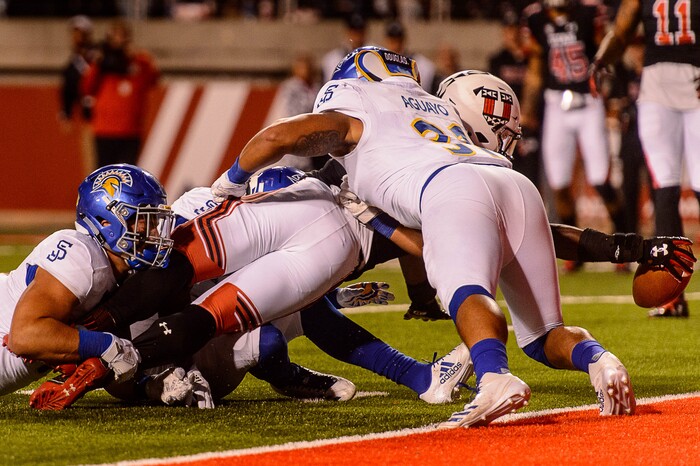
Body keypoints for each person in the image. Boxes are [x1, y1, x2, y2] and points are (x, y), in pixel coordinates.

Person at [208, 49, 644, 427]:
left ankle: (493, 376)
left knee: (467, 290)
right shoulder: (426, 107)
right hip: (514, 185)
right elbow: (428, 235)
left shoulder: (360, 105)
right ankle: (601, 362)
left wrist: (229, 182)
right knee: (545, 334)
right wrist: (413, 284)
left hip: (450, 186)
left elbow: (282, 135)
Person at [29, 166, 472, 409]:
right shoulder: (193, 222)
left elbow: (272, 285)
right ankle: (290, 374)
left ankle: (304, 375)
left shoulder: (227, 228)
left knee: (282, 316)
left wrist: (336, 293)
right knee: (264, 329)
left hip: (165, 345)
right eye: (144, 221)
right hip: (151, 352)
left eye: (156, 219)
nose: (156, 231)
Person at [0, 164, 174, 397]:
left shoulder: (122, 276)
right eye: (144, 219)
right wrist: (104, 345)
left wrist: (151, 386)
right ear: (106, 221)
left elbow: (119, 367)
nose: (154, 234)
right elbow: (24, 336)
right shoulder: (81, 254)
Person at [590, 0, 700, 317]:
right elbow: (622, 31)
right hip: (657, 87)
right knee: (663, 188)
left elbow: (622, 32)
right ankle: (672, 295)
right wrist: (600, 59)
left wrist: (600, 59)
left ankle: (673, 295)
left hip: (691, 82)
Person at [521, 0, 625, 272]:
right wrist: (527, 108)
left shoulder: (589, 12)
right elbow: (535, 67)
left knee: (601, 179)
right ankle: (576, 250)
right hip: (556, 104)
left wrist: (611, 91)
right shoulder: (535, 18)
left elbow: (607, 51)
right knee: (559, 183)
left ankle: (624, 238)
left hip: (588, 101)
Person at [81, 19, 160, 168]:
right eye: (115, 38)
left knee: (128, 176)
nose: (119, 42)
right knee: (103, 175)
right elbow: (86, 87)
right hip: (105, 130)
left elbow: (154, 77)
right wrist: (99, 62)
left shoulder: (137, 63)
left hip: (130, 131)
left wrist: (138, 56)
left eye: (122, 37)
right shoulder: (102, 64)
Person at [489, 9, 542, 189]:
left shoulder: (533, 59)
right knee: (506, 175)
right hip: (505, 126)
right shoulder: (497, 60)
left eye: (514, 29)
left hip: (531, 126)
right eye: (507, 29)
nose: (511, 34)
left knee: (531, 177)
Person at [58, 15, 98, 175]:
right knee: (92, 162)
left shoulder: (99, 58)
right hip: (88, 119)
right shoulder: (72, 65)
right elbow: (68, 90)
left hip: (107, 116)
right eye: (75, 33)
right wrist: (66, 112)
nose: (77, 37)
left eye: (81, 33)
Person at [382, 20, 436, 92]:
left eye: (398, 40)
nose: (396, 45)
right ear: (386, 40)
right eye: (392, 41)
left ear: (403, 40)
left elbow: (430, 69)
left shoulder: (418, 63)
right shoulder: (379, 62)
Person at [321, 13, 368, 83]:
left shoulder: (375, 55)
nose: (357, 36)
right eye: (354, 32)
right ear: (347, 32)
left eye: (360, 32)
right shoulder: (332, 58)